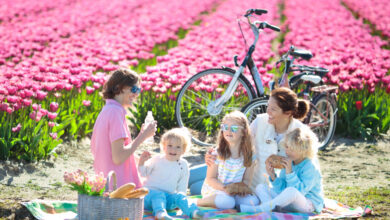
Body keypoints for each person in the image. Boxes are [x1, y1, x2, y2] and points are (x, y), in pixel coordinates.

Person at [205, 87, 311, 190]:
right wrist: (212, 154)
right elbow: (237, 141)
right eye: (267, 106)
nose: (268, 111)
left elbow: (309, 166)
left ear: (287, 113)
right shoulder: (260, 121)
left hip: (282, 191)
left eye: (273, 109)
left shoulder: (300, 132)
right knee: (202, 179)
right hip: (252, 187)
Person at [90, 68, 157, 188]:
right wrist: (142, 136)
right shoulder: (115, 113)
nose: (136, 94)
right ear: (119, 88)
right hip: (120, 190)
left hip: (108, 186)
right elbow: (118, 158)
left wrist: (138, 159)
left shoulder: (108, 111)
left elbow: (109, 153)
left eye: (139, 90)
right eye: (134, 89)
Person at [240, 127, 324, 213]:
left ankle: (259, 209)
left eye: (292, 149)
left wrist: (290, 173)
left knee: (292, 192)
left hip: (308, 204)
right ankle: (271, 208)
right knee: (260, 187)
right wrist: (273, 176)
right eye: (287, 147)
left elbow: (299, 192)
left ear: (303, 150)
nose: (287, 151)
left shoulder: (310, 167)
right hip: (289, 202)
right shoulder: (290, 161)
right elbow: (282, 189)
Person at [197, 111, 259, 209]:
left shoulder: (249, 155)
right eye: (225, 127)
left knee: (253, 201)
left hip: (235, 192)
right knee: (227, 201)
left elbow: (247, 180)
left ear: (243, 132)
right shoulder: (217, 153)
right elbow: (210, 178)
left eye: (234, 128)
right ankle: (200, 202)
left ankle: (232, 203)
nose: (228, 131)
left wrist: (241, 189)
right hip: (217, 189)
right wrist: (225, 189)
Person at [138, 128, 204, 220]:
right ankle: (160, 213)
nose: (173, 149)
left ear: (183, 150)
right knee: (159, 195)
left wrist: (180, 201)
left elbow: (182, 186)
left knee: (179, 196)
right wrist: (141, 163)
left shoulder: (183, 164)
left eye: (178, 147)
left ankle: (193, 212)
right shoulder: (156, 159)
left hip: (167, 199)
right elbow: (143, 173)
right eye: (170, 145)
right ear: (164, 147)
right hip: (150, 196)